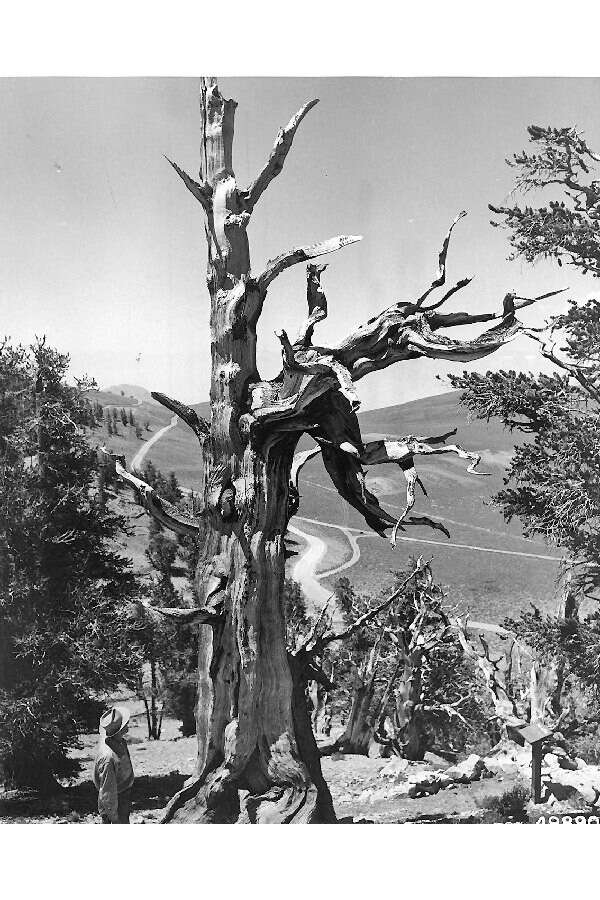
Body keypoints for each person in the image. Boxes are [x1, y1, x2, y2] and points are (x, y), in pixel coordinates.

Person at [94, 705, 134, 824]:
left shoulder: (119, 742)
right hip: (115, 801)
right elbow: (107, 792)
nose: (127, 726)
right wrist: (114, 817)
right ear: (119, 730)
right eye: (124, 724)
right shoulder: (108, 758)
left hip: (121, 795)